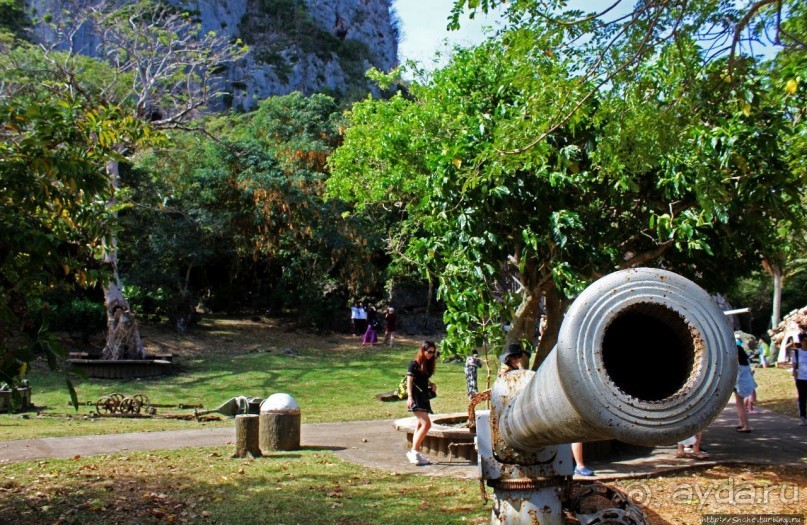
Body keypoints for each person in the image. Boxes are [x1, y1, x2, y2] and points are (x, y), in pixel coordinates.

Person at [406, 341, 439, 465]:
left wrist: (432, 384)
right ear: (422, 350)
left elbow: (423, 379)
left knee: (420, 425)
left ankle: (416, 454)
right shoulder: (413, 364)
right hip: (415, 397)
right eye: (428, 351)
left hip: (424, 397)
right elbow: (409, 381)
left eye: (433, 352)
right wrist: (409, 397)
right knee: (426, 424)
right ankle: (414, 451)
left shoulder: (427, 365)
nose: (431, 354)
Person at [734, 340, 756, 432]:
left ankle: (746, 426)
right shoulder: (746, 361)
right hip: (747, 384)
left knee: (740, 405)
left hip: (740, 386)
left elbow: (736, 377)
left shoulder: (737, 364)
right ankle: (741, 423)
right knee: (739, 404)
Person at [792, 333, 807, 426]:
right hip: (801, 378)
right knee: (802, 398)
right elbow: (794, 366)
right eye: (804, 341)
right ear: (801, 342)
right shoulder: (797, 353)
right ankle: (802, 417)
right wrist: (795, 376)